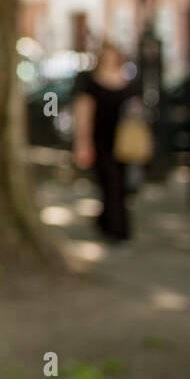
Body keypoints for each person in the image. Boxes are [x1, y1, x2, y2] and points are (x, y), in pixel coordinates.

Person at [73, 40, 141, 243]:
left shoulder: (128, 83)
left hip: (124, 143)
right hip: (101, 141)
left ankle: (109, 222)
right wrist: (83, 144)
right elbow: (83, 114)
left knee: (122, 185)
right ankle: (116, 229)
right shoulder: (91, 84)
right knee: (109, 184)